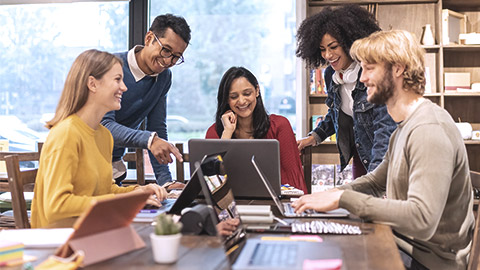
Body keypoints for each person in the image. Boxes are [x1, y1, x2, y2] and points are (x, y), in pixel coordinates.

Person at [292, 30, 474, 270]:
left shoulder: (428, 129)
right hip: (406, 244)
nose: (362, 78)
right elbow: (377, 182)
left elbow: (422, 218)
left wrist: (344, 199)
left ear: (397, 69)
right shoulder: (404, 127)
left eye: (369, 68)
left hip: (428, 261)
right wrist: (331, 194)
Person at [31, 50, 167, 228]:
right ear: (92, 84)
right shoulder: (66, 134)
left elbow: (106, 190)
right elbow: (57, 205)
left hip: (92, 231)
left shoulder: (104, 136)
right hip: (59, 242)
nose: (124, 88)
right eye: (117, 80)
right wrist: (123, 202)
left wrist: (138, 192)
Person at [296, 5, 397, 178]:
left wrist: (374, 179)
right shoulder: (330, 75)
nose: (327, 55)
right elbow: (335, 111)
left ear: (349, 42)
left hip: (385, 157)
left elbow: (385, 127)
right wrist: (314, 137)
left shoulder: (372, 74)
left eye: (333, 46)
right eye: (322, 49)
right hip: (361, 154)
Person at [101, 14, 191, 186]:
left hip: (114, 171)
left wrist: (166, 182)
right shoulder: (110, 66)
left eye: (176, 57)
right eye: (166, 50)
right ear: (149, 38)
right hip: (86, 166)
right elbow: (105, 125)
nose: (168, 61)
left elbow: (156, 127)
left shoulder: (164, 77)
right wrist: (150, 140)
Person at [205, 66, 307, 193]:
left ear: (257, 91)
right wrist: (227, 133)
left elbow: (294, 182)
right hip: (232, 205)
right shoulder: (214, 132)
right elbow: (212, 183)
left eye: (247, 94)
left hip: (274, 203)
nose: (242, 101)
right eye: (233, 96)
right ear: (226, 99)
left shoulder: (280, 126)